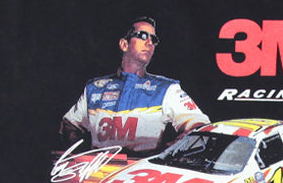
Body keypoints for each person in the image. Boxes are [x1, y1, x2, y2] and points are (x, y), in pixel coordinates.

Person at [60, 17, 209, 155]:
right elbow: (69, 124)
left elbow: (201, 127)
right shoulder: (94, 88)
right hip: (97, 170)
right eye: (143, 36)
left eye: (154, 39)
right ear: (124, 44)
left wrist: (169, 152)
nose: (149, 43)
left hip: (142, 171)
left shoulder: (166, 89)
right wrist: (82, 156)